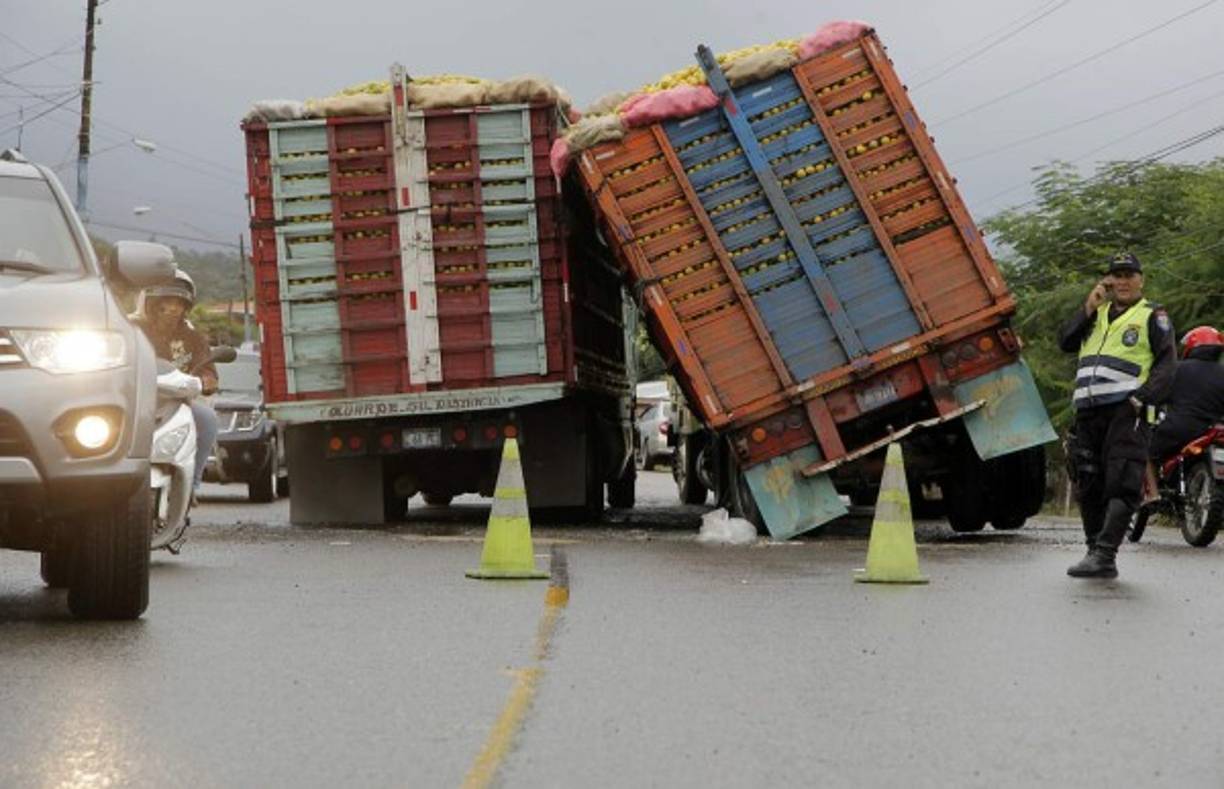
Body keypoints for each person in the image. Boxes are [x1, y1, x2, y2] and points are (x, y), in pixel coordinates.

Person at [1058, 252, 1176, 578]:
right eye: (1117, 276)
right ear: (1108, 280)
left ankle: (1105, 554)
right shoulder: (1097, 314)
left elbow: (1167, 365)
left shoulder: (1153, 315)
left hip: (1127, 411)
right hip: (1088, 411)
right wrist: (1088, 306)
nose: (1123, 282)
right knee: (1088, 480)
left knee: (1122, 480)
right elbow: (1065, 341)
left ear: (1141, 279)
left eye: (1129, 275)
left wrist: (1141, 399)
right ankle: (1092, 551)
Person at [132, 269, 219, 492]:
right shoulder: (130, 329)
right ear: (150, 304)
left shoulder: (193, 337)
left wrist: (207, 379)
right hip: (135, 403)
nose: (172, 309)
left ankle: (193, 486)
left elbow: (207, 367)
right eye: (165, 302)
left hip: (179, 403)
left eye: (179, 304)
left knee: (207, 418)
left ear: (186, 308)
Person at [1149, 326, 1224, 463]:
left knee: (1145, 454)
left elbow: (1156, 396)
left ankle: (1153, 485)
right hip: (1212, 432)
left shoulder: (1177, 369)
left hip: (1177, 428)